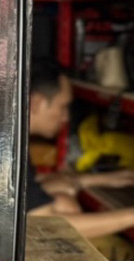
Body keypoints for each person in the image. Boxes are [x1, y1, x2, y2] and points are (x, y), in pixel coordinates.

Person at [28, 60, 134, 238]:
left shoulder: (9, 136)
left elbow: (28, 185)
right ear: (36, 103)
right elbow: (43, 223)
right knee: (65, 205)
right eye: (62, 107)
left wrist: (100, 179)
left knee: (63, 199)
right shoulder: (7, 150)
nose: (66, 118)